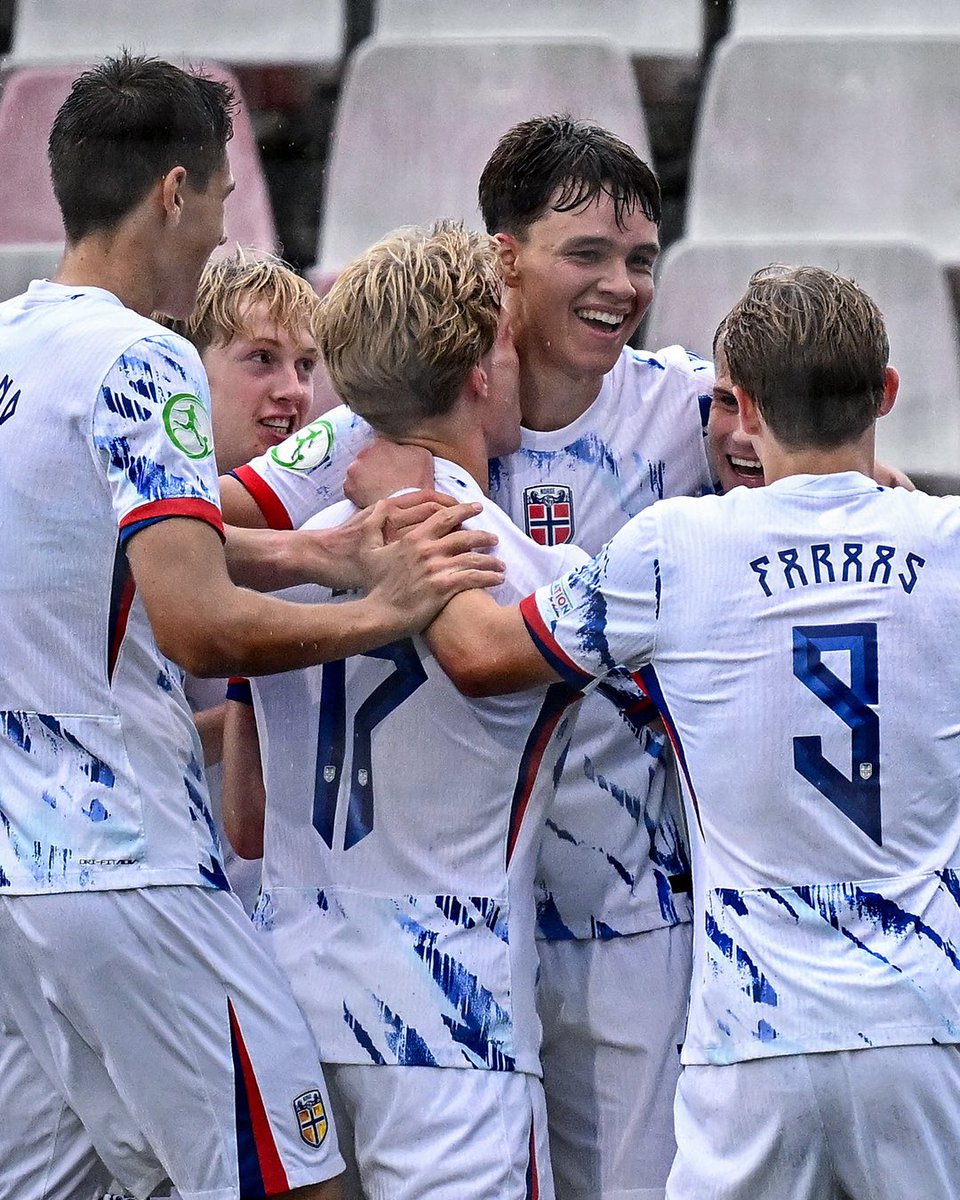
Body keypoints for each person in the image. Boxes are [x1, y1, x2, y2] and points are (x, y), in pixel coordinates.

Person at [0, 54, 502, 1200]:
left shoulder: (12, 350)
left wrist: (308, 553)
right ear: (175, 192)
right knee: (298, 1182)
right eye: (223, 202)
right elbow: (196, 625)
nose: (222, 232)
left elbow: (89, 557)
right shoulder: (143, 359)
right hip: (137, 873)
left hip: (20, 884)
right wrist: (378, 608)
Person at [219, 116, 710, 1198]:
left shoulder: (685, 404)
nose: (621, 285)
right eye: (585, 253)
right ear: (499, 283)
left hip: (555, 927)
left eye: (640, 259)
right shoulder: (504, 553)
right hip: (459, 990)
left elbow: (172, 541)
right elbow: (490, 650)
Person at [423, 263, 960, 1200]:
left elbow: (480, 654)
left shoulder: (677, 549)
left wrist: (417, 486)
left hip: (754, 1039)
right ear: (885, 393)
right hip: (925, 1025)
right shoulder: (952, 544)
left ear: (742, 407)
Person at [221, 220, 588, 1199]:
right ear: (480, 369)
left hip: (291, 988)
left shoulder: (282, 564)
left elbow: (246, 811)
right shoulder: (536, 576)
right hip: (451, 1016)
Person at [164, 247, 325, 910]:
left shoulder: (328, 521)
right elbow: (122, 736)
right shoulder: (126, 531)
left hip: (281, 909)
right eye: (262, 359)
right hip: (162, 893)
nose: (293, 390)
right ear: (183, 371)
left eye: (306, 365)